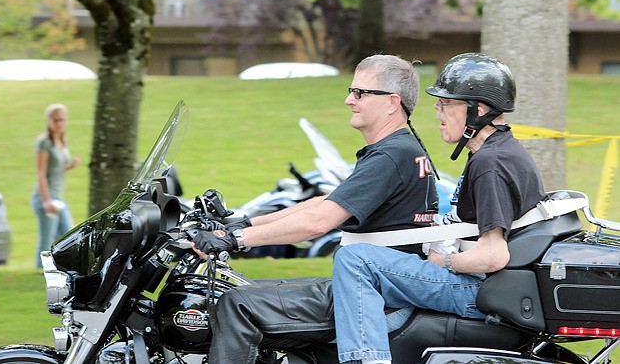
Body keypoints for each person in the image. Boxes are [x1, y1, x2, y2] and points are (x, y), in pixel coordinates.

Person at [191, 54, 440, 364]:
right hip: (374, 287)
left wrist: (236, 240)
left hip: (369, 296)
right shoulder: (397, 150)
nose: (350, 100)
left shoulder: (391, 155)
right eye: (351, 91)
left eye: (360, 92)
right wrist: (242, 221)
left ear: (392, 102)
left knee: (236, 304)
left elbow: (319, 222)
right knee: (247, 288)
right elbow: (325, 202)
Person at [331, 52, 547, 364]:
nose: (436, 109)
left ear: (478, 110)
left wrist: (441, 260)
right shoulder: (498, 150)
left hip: (476, 290)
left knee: (355, 259)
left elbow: (493, 255)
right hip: (486, 285)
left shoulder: (491, 163)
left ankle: (366, 360)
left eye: (446, 103)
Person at [31, 103, 80, 268]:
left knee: (69, 235)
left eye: (62, 120)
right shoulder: (44, 143)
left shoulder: (61, 141)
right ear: (49, 120)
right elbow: (41, 173)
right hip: (45, 197)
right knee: (47, 238)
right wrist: (46, 201)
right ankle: (41, 270)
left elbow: (56, 170)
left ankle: (65, 268)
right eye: (56, 120)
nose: (59, 123)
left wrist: (71, 166)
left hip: (58, 198)